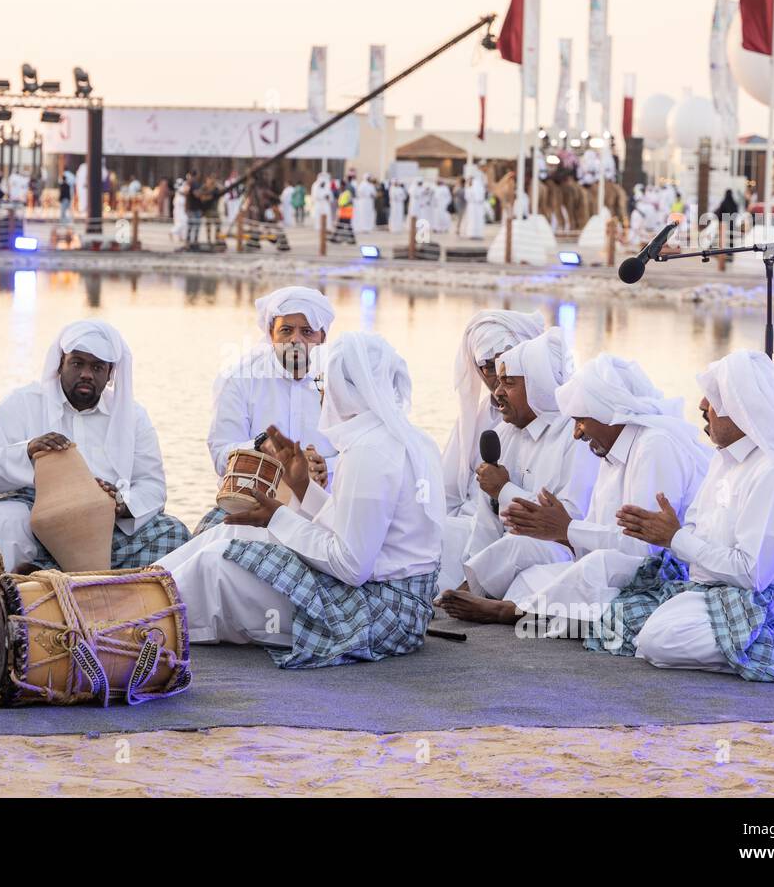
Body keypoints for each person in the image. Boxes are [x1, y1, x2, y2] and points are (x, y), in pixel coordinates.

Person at [155, 333, 444, 668]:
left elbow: (351, 566)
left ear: (346, 388)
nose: (320, 391)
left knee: (217, 563)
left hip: (381, 612)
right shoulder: (402, 439)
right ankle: (135, 590)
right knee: (226, 535)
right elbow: (354, 528)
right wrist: (303, 487)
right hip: (385, 597)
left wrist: (277, 517)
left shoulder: (371, 451)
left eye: (324, 381)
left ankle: (136, 614)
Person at [583, 351, 774, 686]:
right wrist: (672, 535)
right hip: (721, 589)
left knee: (658, 641)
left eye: (713, 400)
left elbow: (751, 572)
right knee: (619, 621)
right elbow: (695, 528)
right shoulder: (725, 461)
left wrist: (675, 538)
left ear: (742, 409)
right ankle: (744, 640)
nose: (702, 407)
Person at [438, 354, 709, 626]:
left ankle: (508, 612)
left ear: (609, 415)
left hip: (657, 571)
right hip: (601, 560)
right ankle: (469, 595)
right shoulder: (610, 453)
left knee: (596, 566)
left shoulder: (655, 446)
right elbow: (592, 530)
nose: (577, 434)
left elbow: (642, 550)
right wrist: (556, 532)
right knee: (523, 552)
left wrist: (566, 529)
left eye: (581, 421)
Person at [0, 320, 190, 572]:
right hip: (31, 513)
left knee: (174, 533)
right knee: (8, 520)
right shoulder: (22, 403)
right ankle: (17, 599)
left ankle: (119, 600)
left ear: (110, 373)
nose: (86, 373)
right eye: (77, 363)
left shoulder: (133, 416)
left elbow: (153, 486)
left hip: (104, 524)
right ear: (61, 362)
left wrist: (121, 505)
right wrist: (28, 451)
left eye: (97, 367)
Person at [444, 328, 600, 602]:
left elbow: (569, 520)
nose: (498, 392)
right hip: (506, 551)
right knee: (443, 533)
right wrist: (472, 563)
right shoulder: (503, 433)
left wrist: (504, 490)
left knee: (516, 547)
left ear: (538, 386)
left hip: (565, 550)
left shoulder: (575, 435)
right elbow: (486, 519)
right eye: (499, 382)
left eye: (509, 383)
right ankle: (467, 588)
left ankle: (469, 596)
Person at [197, 286, 337, 535]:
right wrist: (261, 448)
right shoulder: (239, 379)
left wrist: (329, 466)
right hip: (250, 506)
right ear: (271, 334)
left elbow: (362, 452)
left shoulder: (341, 384)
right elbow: (220, 457)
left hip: (324, 512)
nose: (296, 340)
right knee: (207, 550)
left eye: (307, 332)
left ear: (322, 338)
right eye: (286, 330)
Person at [436, 310, 544, 589]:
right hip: (471, 527)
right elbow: (447, 493)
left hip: (522, 534)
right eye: (488, 365)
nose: (499, 376)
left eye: (507, 361)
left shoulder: (565, 423)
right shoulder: (477, 417)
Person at [459, 170, 488, 239]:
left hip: (478, 206)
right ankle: (472, 234)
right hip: (472, 206)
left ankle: (478, 234)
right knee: (472, 220)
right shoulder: (469, 188)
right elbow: (467, 197)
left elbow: (481, 196)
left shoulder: (479, 187)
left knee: (478, 220)